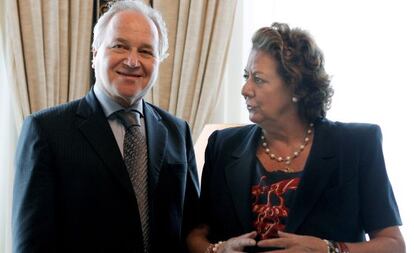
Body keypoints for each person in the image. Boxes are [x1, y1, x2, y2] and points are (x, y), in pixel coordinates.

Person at [187, 22, 405, 253]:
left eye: (258, 79)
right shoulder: (222, 146)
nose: (245, 89)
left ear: (296, 87)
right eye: (246, 76)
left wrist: (329, 249)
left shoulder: (357, 145)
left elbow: (393, 244)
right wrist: (217, 250)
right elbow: (195, 236)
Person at [12, 1, 199, 252]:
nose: (132, 61)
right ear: (95, 53)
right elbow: (31, 243)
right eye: (119, 46)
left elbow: (193, 230)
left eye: (146, 51)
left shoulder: (178, 132)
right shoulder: (45, 131)